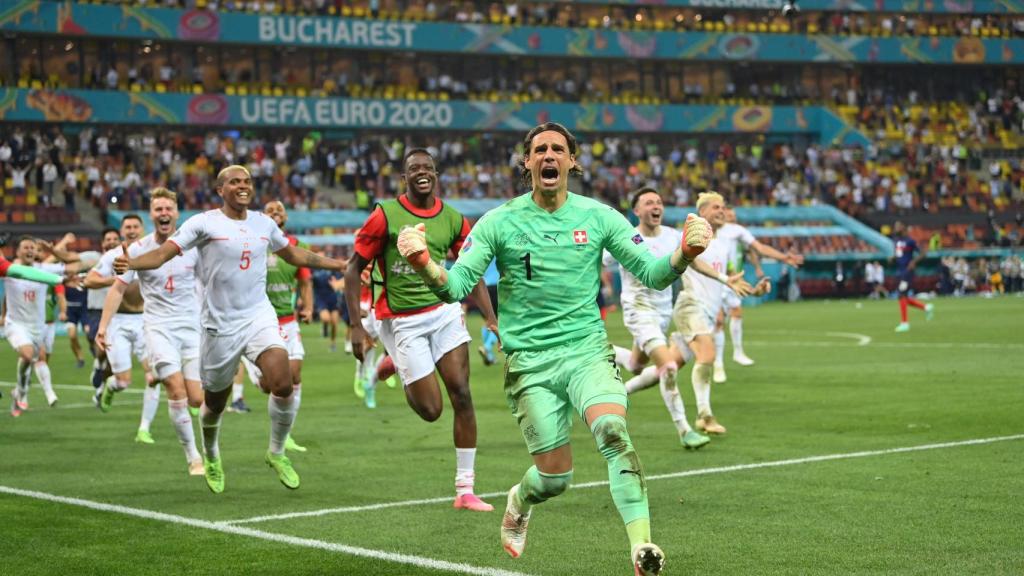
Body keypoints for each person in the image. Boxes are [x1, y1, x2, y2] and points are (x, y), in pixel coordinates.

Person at [394, 123, 713, 575]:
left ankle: (641, 548)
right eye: (539, 149)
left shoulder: (599, 216)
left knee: (614, 435)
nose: (548, 156)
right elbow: (458, 286)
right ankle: (521, 498)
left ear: (571, 161)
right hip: (530, 364)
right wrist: (425, 265)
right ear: (527, 163)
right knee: (555, 477)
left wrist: (683, 252)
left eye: (557, 150)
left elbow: (654, 272)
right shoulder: (499, 221)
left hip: (586, 353)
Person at [114, 165, 347, 494]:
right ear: (220, 189)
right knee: (215, 403)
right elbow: (164, 253)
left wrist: (339, 264)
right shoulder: (203, 223)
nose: (243, 186)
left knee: (283, 382)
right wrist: (132, 263)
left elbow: (293, 253)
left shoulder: (263, 223)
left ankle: (276, 452)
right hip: (219, 325)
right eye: (235, 181)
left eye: (247, 181)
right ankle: (210, 454)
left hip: (258, 315)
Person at [344, 147, 499, 512]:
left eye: (428, 167)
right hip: (402, 321)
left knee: (462, 393)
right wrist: (355, 326)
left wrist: (490, 317)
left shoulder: (455, 219)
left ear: (436, 173)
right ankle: (397, 361)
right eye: (414, 168)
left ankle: (465, 489)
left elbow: (470, 269)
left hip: (445, 312)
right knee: (431, 410)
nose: (422, 172)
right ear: (405, 177)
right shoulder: (385, 215)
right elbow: (354, 269)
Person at [606, 187, 752, 450]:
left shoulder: (673, 236)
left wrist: (724, 279)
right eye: (649, 202)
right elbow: (597, 260)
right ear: (636, 211)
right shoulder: (626, 237)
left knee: (637, 365)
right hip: (638, 312)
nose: (655, 206)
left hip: (663, 313)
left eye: (659, 202)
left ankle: (599, 350)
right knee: (668, 367)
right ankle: (685, 429)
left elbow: (694, 262)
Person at [96, 188, 205, 475]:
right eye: (158, 209)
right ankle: (194, 457)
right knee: (175, 389)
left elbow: (210, 283)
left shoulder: (193, 247)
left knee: (197, 398)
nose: (164, 213)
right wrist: (103, 326)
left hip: (192, 327)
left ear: (177, 212)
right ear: (152, 215)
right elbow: (118, 288)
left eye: (168, 208)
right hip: (157, 327)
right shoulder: (137, 250)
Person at [236, 200, 312, 453]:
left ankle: (286, 433)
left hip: (288, 321)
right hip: (261, 321)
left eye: (279, 210)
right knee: (270, 385)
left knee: (295, 375)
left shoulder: (296, 247)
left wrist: (308, 307)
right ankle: (251, 366)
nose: (275, 213)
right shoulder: (254, 243)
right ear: (262, 217)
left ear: (286, 217)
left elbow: (305, 282)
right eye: (270, 210)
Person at [86, 214, 162, 445]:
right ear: (121, 230)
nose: (131, 230)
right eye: (127, 226)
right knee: (124, 381)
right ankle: (109, 387)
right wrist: (118, 280)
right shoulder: (113, 256)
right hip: (118, 321)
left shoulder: (154, 252)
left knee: (154, 376)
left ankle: (144, 428)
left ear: (142, 228)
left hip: (146, 321)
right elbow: (90, 280)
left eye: (135, 226)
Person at [711, 207, 800, 383]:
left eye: (733, 215)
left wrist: (782, 258)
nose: (730, 217)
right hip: (713, 278)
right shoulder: (706, 231)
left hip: (733, 277)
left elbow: (757, 248)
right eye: (727, 214)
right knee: (719, 321)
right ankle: (718, 364)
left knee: (736, 313)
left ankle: (738, 352)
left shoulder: (737, 231)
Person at [2, 237, 69, 415]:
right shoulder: (9, 269)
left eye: (33, 247)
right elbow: (6, 298)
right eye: (25, 247)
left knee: (30, 359)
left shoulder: (43, 269)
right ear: (17, 252)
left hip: (38, 326)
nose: (30, 250)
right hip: (16, 323)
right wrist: (3, 315)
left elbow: (72, 265)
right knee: (29, 354)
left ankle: (19, 391)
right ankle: (25, 393)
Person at [891, 221, 934, 332]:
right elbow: (898, 255)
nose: (895, 228)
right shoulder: (895, 241)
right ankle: (926, 308)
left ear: (903, 228)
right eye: (895, 226)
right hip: (900, 271)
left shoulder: (910, 241)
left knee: (901, 295)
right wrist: (893, 258)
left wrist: (913, 262)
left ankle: (905, 323)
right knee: (903, 297)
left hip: (907, 272)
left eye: (898, 226)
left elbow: (923, 253)